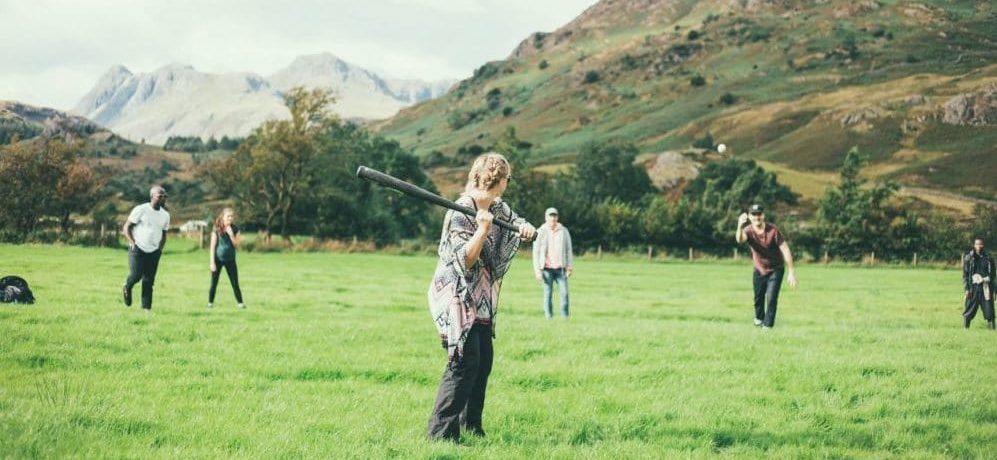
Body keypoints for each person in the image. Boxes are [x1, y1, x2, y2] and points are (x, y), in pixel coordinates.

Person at [426, 152, 536, 442]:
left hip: (482, 298)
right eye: (506, 180)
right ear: (500, 181)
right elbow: (465, 261)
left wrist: (525, 229)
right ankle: (441, 435)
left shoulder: (499, 208)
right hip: (456, 295)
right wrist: (483, 229)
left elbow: (517, 224)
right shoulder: (460, 210)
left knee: (483, 360)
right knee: (464, 361)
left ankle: (471, 426)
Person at [735, 204, 798, 328]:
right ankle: (758, 319)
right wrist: (739, 225)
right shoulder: (748, 230)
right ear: (749, 216)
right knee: (758, 297)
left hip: (776, 269)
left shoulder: (773, 231)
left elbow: (785, 249)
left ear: (763, 215)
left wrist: (791, 272)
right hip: (759, 269)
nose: (757, 217)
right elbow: (740, 239)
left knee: (771, 297)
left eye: (759, 214)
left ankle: (768, 327)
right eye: (754, 214)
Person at [122, 186, 170, 311]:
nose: (163, 198)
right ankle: (127, 286)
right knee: (136, 275)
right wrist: (132, 242)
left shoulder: (165, 215)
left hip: (154, 251)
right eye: (160, 196)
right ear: (152, 197)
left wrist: (159, 250)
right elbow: (126, 227)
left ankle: (146, 310)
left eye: (165, 196)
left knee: (149, 281)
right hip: (138, 249)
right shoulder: (141, 209)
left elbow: (164, 234)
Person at [532, 207, 574, 319]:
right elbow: (535, 252)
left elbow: (568, 250)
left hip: (561, 269)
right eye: (550, 216)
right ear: (546, 217)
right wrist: (537, 271)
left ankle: (565, 317)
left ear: (557, 217)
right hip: (546, 269)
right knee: (548, 294)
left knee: (564, 294)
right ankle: (549, 317)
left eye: (554, 216)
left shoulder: (564, 231)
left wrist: (569, 267)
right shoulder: (540, 231)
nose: (553, 218)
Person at [208, 207, 245, 309]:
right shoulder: (216, 228)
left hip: (230, 260)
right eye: (228, 216)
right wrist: (212, 263)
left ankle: (240, 304)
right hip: (218, 259)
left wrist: (231, 234)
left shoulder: (235, 229)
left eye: (232, 216)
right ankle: (210, 304)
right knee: (214, 283)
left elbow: (237, 245)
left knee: (235, 283)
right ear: (223, 217)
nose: (230, 218)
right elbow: (212, 247)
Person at [962, 237, 995, 330]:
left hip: (986, 288)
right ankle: (965, 329)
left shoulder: (989, 258)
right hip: (973, 288)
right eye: (977, 244)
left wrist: (994, 289)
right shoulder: (969, 258)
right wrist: (967, 289)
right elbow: (965, 275)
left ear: (983, 245)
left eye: (981, 244)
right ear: (974, 245)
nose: (979, 246)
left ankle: (992, 331)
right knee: (969, 310)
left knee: (990, 312)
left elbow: (993, 275)